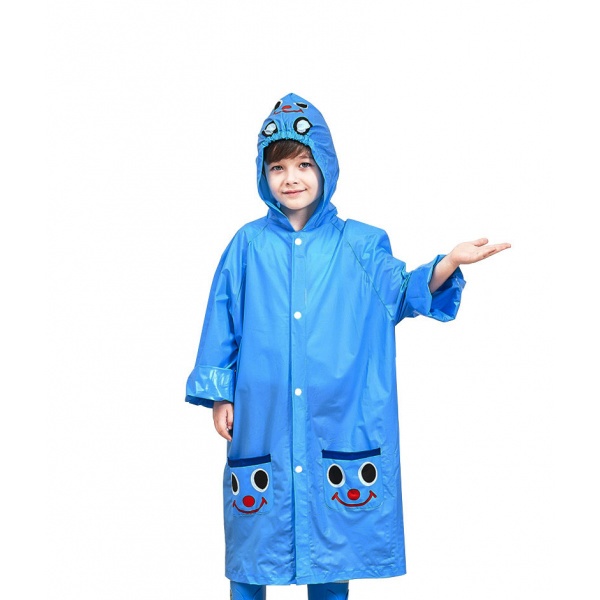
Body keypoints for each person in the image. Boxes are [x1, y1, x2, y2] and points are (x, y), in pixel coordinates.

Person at [185, 92, 510, 600]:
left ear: (325, 167)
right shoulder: (247, 244)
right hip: (263, 414)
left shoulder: (361, 243)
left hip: (336, 416)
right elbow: (222, 318)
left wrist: (448, 262)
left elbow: (401, 293)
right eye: (277, 168)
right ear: (263, 175)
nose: (291, 178)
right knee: (254, 539)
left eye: (303, 164)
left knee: (332, 537)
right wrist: (219, 394)